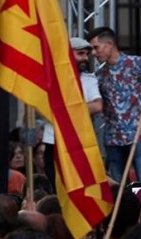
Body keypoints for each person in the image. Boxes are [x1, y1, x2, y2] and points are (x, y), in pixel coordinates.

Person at [87, 27, 141, 183]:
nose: (94, 53)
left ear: (109, 44)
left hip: (139, 134)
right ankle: (126, 207)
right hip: (113, 138)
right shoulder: (99, 76)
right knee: (118, 185)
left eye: (96, 47)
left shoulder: (138, 64)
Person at [42, 37, 103, 185]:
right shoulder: (50, 79)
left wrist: (64, 111)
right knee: (55, 184)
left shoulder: (89, 80)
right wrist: (79, 109)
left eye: (86, 55)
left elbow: (97, 106)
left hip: (80, 142)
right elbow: (44, 107)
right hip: (54, 141)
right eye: (80, 54)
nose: (85, 58)